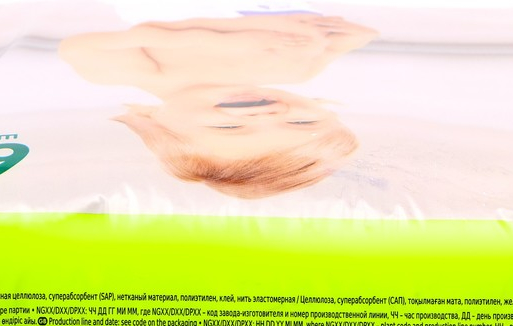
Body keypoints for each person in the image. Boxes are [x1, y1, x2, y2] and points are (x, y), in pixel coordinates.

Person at [59, 13, 376, 198]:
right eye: (302, 123)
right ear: (325, 110)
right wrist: (335, 34)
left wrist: (220, 40)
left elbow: (76, 46)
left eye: (229, 127)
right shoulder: (294, 69)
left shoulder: (142, 72)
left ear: (154, 120)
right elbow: (355, 36)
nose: (264, 114)